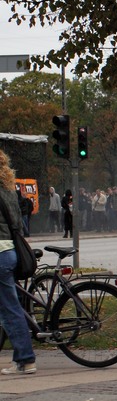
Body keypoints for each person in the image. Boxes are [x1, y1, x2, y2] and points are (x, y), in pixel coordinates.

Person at [0, 150, 36, 375]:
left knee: (10, 309)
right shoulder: (9, 189)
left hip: (1, 254)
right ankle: (21, 358)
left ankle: (26, 358)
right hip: (10, 251)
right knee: (11, 306)